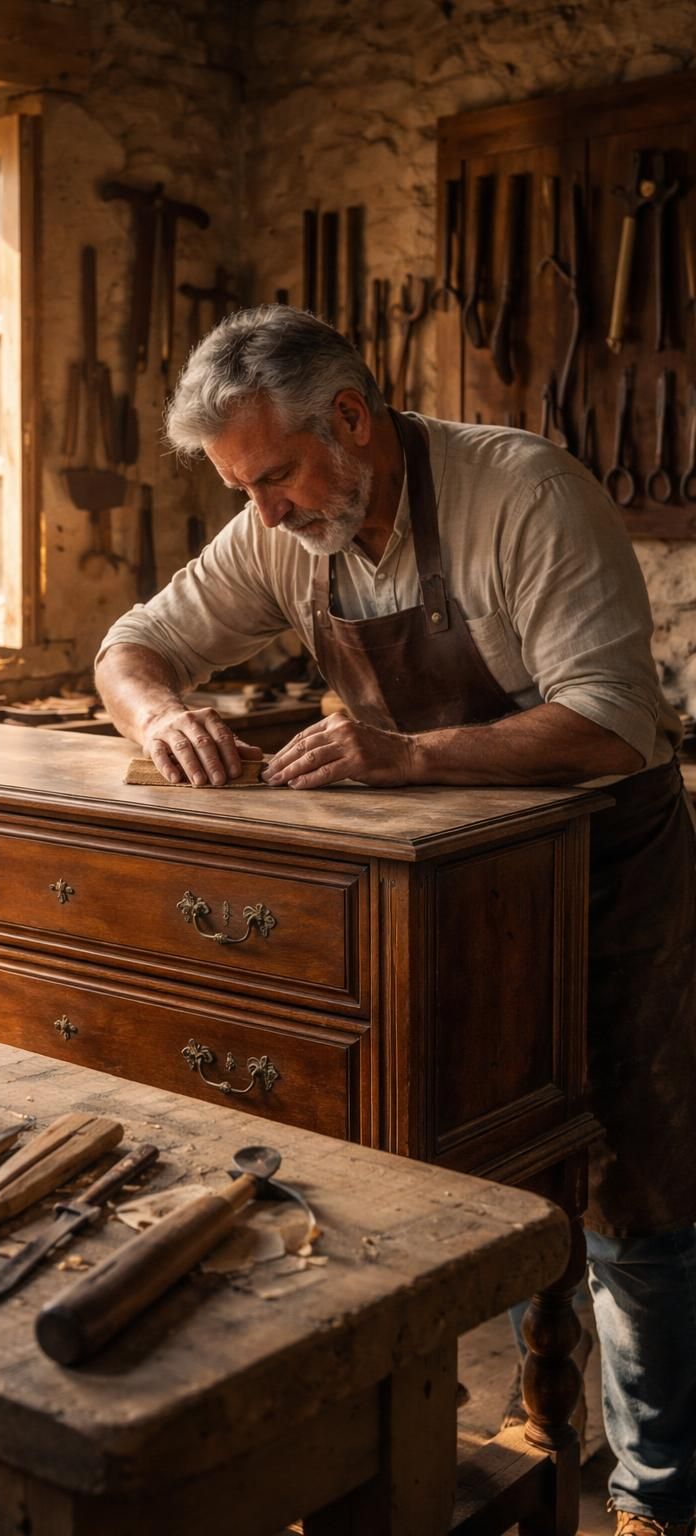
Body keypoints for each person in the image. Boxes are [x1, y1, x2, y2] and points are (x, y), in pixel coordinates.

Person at [95, 306, 696, 1536]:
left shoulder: (522, 492)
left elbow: (613, 718)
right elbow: (134, 643)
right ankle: (526, 1421)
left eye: (271, 479)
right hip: (454, 895)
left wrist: (407, 754)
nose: (260, 513)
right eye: (240, 488)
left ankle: (659, 1494)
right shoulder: (283, 531)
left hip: (606, 872)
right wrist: (157, 718)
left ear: (352, 420)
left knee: (640, 1182)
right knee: (455, 1164)